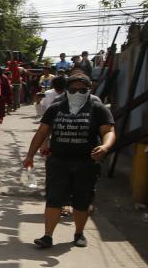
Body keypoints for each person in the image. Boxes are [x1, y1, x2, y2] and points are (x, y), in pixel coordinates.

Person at [23, 72, 115, 248]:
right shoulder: (56, 108)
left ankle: (79, 233)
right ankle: (47, 236)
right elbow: (42, 132)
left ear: (89, 89)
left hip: (87, 163)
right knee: (54, 199)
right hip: (58, 161)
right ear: (66, 90)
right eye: (73, 90)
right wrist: (30, 156)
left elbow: (108, 131)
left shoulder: (97, 108)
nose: (77, 93)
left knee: (82, 201)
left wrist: (105, 147)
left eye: (82, 90)